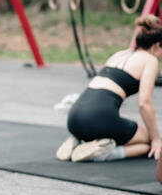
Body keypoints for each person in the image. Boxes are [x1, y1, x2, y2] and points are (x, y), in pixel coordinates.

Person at [56, 15, 162, 170]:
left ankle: (80, 141)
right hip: (97, 119)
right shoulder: (150, 60)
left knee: (115, 128)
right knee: (147, 141)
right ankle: (106, 153)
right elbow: (144, 104)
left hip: (74, 118)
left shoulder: (119, 54)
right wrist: (156, 139)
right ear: (157, 46)